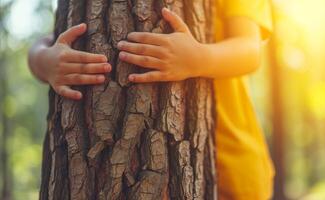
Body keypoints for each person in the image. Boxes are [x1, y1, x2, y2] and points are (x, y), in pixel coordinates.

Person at [28, 0, 274, 199]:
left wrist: (198, 58)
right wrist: (43, 61)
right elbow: (50, 39)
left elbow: (250, 50)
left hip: (235, 166)